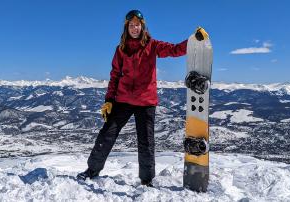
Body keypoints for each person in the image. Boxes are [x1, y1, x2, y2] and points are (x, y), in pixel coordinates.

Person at [77, 10, 208, 187]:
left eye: (137, 25)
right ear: (127, 28)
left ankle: (146, 181)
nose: (134, 28)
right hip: (122, 101)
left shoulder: (152, 45)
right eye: (131, 25)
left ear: (142, 26)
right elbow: (115, 75)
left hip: (145, 103)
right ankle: (92, 170)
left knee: (146, 143)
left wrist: (192, 40)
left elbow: (174, 49)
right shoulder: (121, 49)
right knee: (106, 135)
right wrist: (109, 99)